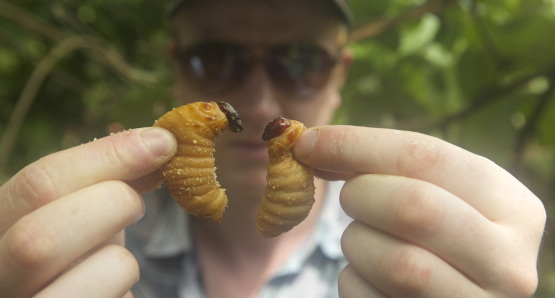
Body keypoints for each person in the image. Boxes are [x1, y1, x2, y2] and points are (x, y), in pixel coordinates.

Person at [0, 0, 547, 297]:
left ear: (340, 76)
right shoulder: (88, 250)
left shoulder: (420, 258)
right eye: (215, 60)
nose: (260, 101)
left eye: (300, 62)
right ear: (175, 67)